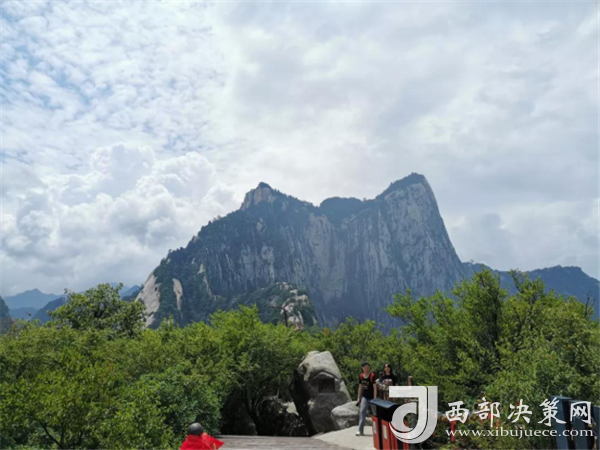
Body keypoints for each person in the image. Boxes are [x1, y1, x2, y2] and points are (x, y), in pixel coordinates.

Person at [355, 361, 377, 436]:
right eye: (365, 368)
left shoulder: (372, 376)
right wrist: (359, 398)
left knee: (375, 414)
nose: (366, 369)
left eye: (368, 367)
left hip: (372, 398)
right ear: (362, 368)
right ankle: (360, 431)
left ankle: (377, 431)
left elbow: (375, 388)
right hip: (365, 397)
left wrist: (375, 398)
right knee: (362, 412)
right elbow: (360, 387)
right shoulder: (361, 376)